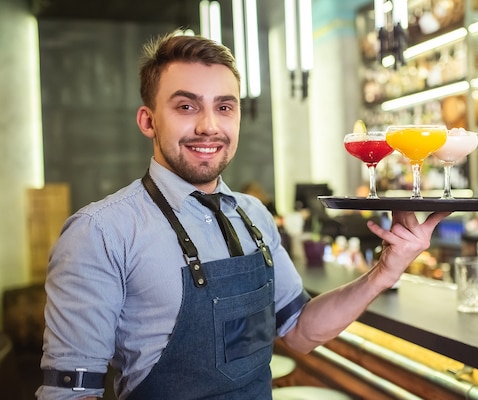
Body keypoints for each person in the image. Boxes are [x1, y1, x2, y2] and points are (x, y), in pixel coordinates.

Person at [36, 31, 449, 400]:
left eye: (225, 107)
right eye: (185, 106)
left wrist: (384, 272)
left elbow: (300, 331)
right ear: (148, 121)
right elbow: (68, 394)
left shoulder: (253, 216)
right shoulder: (101, 232)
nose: (209, 126)